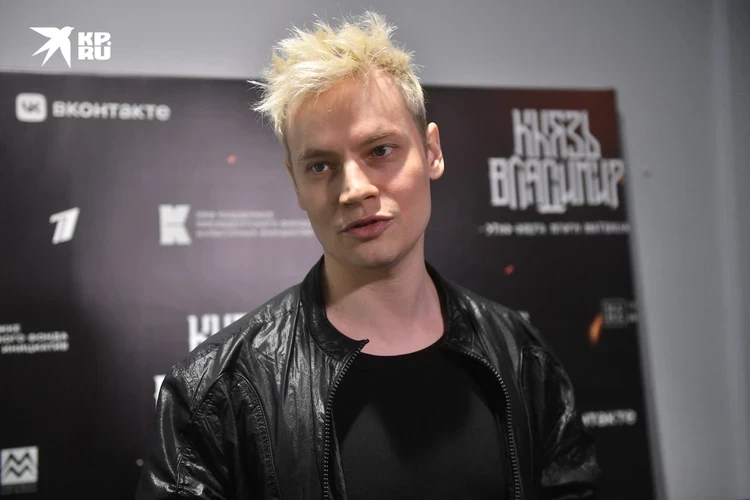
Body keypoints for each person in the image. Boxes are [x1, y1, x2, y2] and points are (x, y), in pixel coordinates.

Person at [136, 12, 599, 500]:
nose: (354, 189)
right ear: (295, 183)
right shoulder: (215, 390)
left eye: (379, 150)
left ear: (432, 151)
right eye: (320, 166)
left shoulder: (521, 354)